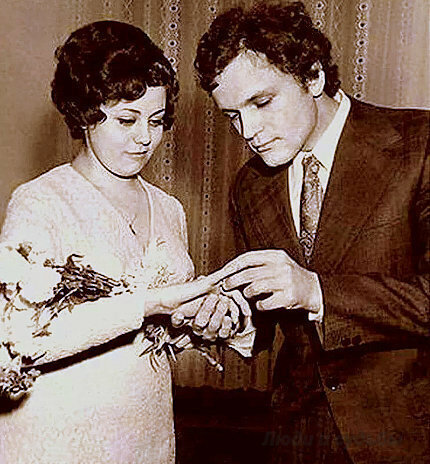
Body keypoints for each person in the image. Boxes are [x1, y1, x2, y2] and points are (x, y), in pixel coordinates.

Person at [0, 20, 250, 464]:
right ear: (84, 113)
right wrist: (149, 303)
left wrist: (208, 318)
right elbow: (20, 339)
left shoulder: (170, 209)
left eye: (156, 121)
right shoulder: (41, 201)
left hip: (145, 436)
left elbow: (161, 336)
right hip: (58, 441)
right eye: (126, 120)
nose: (145, 138)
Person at [194, 2, 429, 463]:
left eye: (262, 102)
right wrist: (228, 319)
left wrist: (317, 291)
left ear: (314, 76)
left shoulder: (418, 144)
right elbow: (264, 323)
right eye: (233, 116)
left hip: (406, 437)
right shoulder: (249, 186)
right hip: (296, 439)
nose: (249, 131)